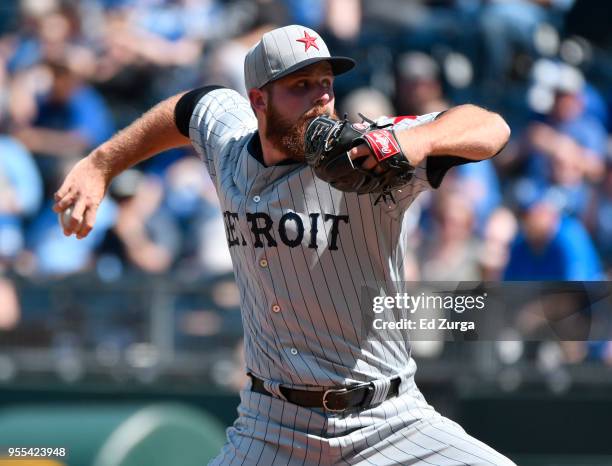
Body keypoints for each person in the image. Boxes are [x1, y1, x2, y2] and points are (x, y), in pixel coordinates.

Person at [53, 24, 513, 465]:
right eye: (301, 85)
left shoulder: (369, 156)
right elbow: (188, 109)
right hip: (270, 426)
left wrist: (411, 141)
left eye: (326, 84)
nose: (321, 99)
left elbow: (491, 127)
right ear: (259, 100)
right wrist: (100, 164)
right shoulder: (228, 141)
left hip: (387, 421)